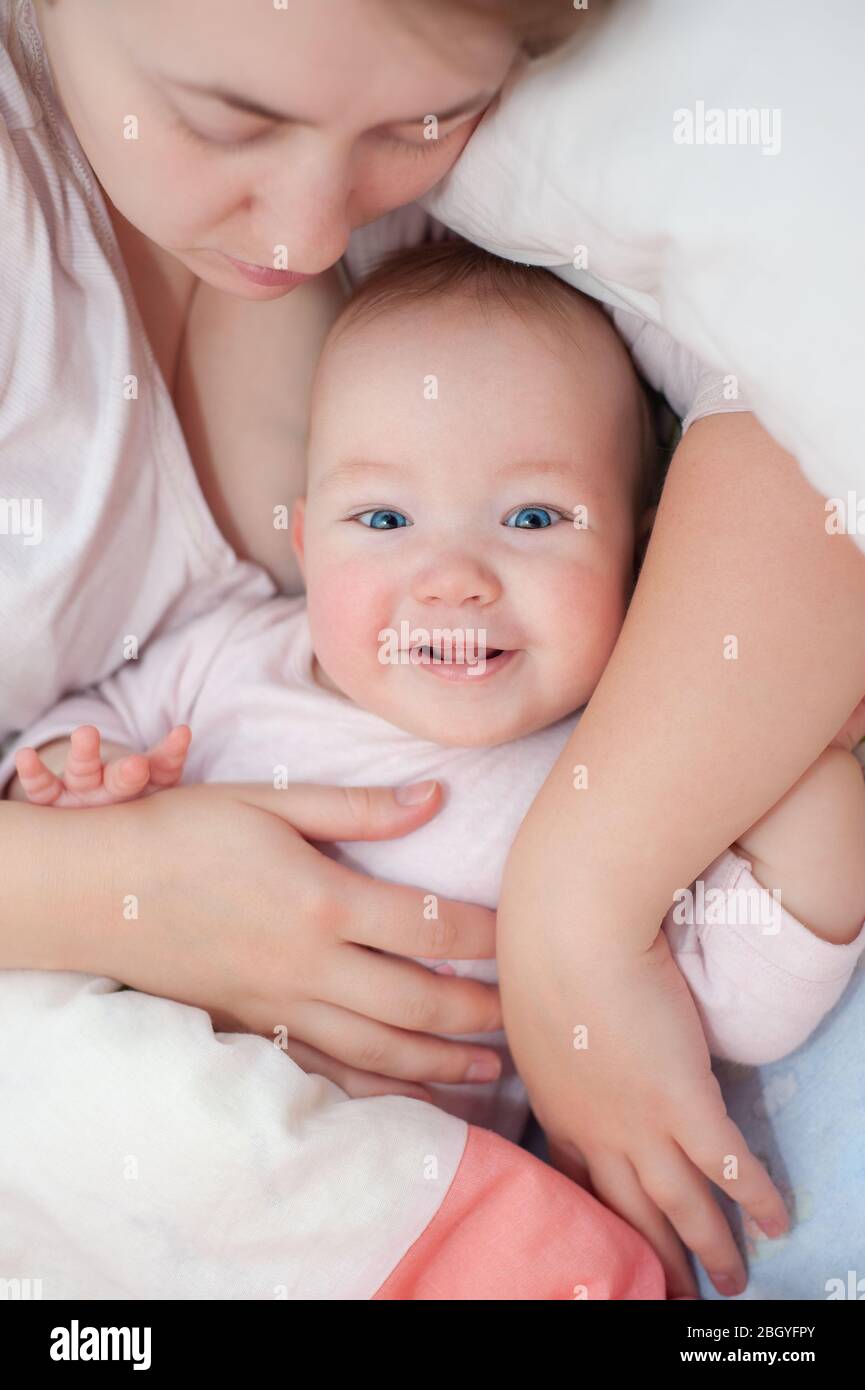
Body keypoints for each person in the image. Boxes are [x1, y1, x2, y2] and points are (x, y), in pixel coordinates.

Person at [3, 0, 862, 1297]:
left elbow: (813, 422)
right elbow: (105, 736)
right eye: (227, 118)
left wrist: (608, 885)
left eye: (419, 121)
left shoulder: (528, 232)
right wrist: (87, 857)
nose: (307, 231)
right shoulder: (233, 655)